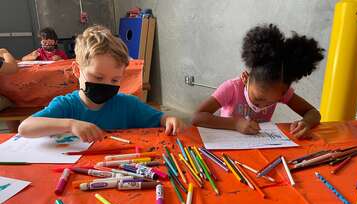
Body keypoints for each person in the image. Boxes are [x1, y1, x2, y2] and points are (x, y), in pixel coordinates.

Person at [18, 25, 183, 142]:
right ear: (77, 70)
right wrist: (70, 125)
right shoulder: (66, 106)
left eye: (115, 80)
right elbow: (25, 128)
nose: (106, 85)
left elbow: (162, 119)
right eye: (98, 77)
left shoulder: (128, 105)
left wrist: (170, 119)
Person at [192, 24, 324, 139]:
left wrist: (305, 123)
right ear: (246, 78)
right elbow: (197, 117)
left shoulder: (280, 91)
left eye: (272, 102)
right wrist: (236, 124)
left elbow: (313, 113)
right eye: (258, 99)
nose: (261, 106)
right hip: (227, 146)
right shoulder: (231, 88)